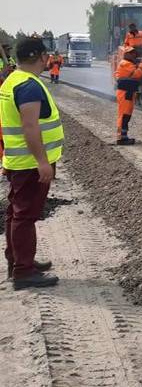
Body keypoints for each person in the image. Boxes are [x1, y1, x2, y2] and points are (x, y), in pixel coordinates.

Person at [0, 37, 61, 290]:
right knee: (25, 215)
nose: (49, 58)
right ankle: (24, 273)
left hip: (18, 160)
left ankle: (19, 261)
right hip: (29, 163)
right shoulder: (28, 86)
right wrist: (42, 162)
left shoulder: (13, 79)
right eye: (46, 54)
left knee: (16, 212)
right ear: (39, 56)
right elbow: (30, 125)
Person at [114, 47, 142, 145]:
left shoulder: (128, 64)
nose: (134, 54)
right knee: (124, 115)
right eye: (131, 53)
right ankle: (121, 138)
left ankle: (123, 136)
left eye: (134, 52)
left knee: (126, 115)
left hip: (127, 92)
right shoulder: (125, 63)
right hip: (125, 93)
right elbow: (137, 75)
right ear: (126, 54)